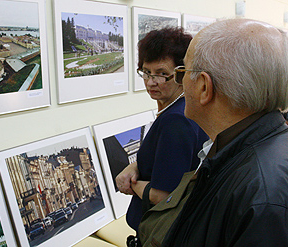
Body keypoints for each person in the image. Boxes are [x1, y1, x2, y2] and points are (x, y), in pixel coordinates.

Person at [139, 18, 288, 247]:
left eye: (184, 71)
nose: (182, 82)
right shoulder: (254, 149)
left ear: (203, 87)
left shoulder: (260, 195)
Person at [115, 27, 208, 236]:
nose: (150, 82)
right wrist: (136, 166)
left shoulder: (175, 121)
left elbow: (164, 195)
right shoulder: (184, 109)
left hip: (160, 233)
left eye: (162, 74)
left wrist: (131, 183)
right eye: (147, 72)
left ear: (181, 73)